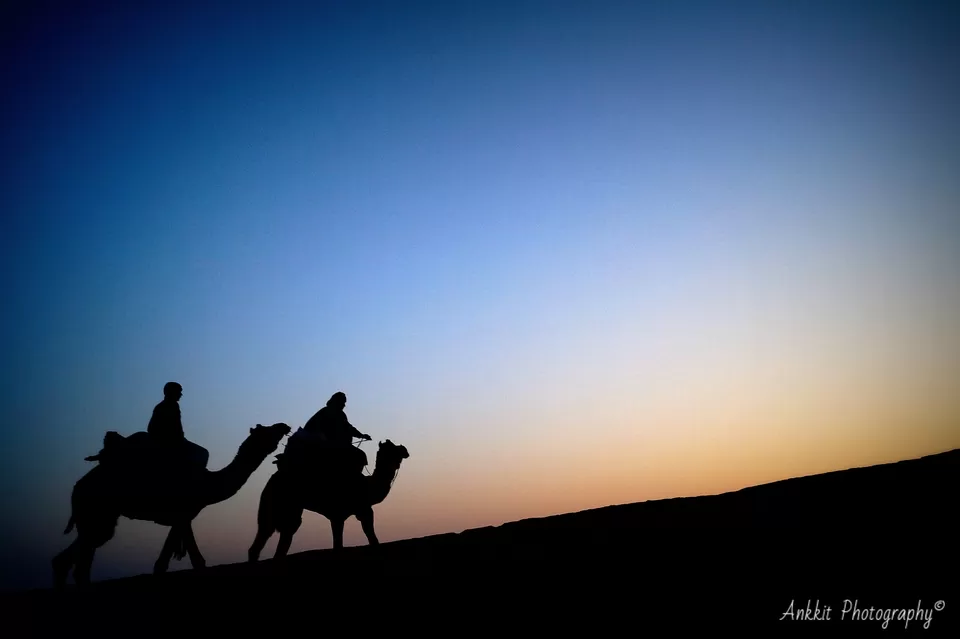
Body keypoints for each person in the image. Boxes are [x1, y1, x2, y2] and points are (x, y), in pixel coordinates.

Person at [298, 391, 371, 479]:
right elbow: (345, 428)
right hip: (323, 444)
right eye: (342, 402)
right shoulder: (328, 412)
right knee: (358, 455)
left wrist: (361, 435)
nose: (344, 405)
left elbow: (347, 427)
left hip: (332, 443)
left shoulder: (337, 413)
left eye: (344, 403)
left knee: (358, 455)